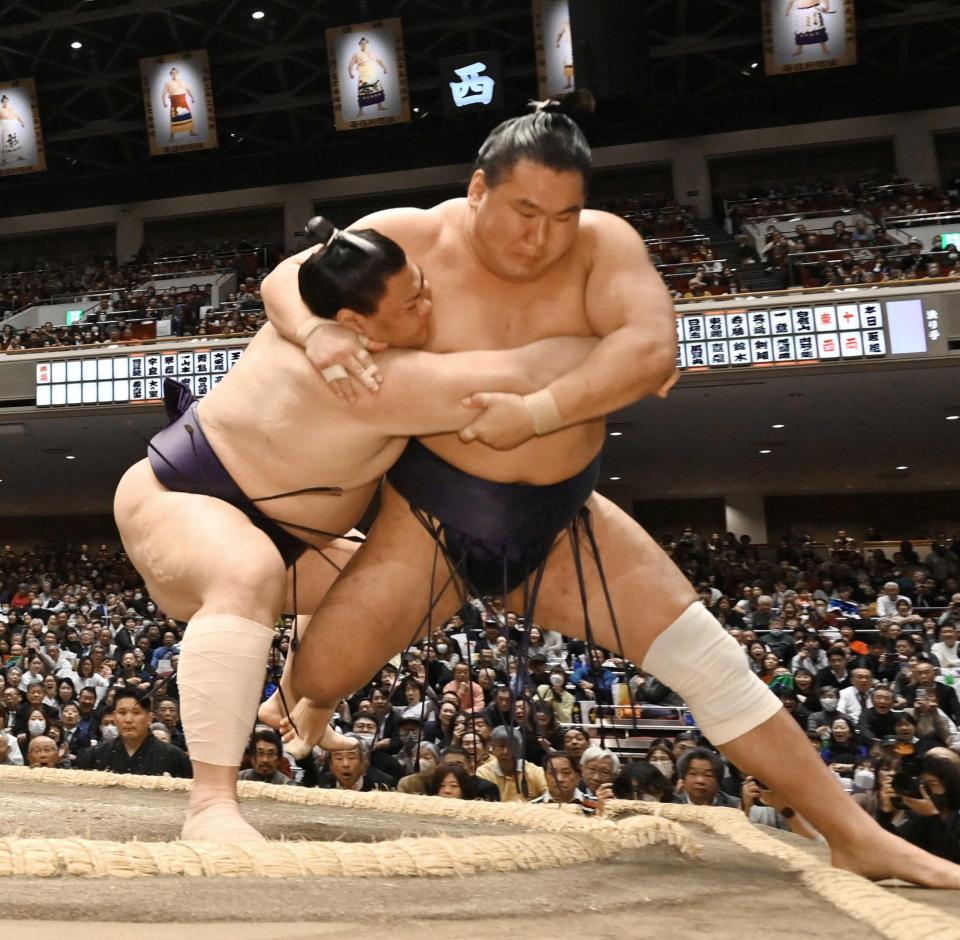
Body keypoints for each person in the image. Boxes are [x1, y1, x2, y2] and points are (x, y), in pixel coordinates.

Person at [262, 103, 960, 887]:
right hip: (428, 524)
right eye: (525, 211)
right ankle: (308, 699)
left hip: (563, 521)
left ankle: (854, 834)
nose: (542, 237)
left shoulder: (603, 245)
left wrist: (538, 411)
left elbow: (651, 347)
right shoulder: (413, 236)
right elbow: (289, 274)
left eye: (562, 215)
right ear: (478, 190)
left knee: (711, 661)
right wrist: (316, 331)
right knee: (320, 674)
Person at [113, 220, 594, 842]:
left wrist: (314, 327)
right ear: (358, 323)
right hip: (176, 499)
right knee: (245, 570)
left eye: (423, 287)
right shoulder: (374, 373)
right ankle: (210, 807)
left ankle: (296, 704)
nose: (429, 304)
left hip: (287, 537)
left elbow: (288, 270)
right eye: (411, 303)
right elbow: (539, 373)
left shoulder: (334, 296)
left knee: (410, 586)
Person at [77, 687, 191, 778]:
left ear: (150, 718)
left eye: (136, 713)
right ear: (115, 717)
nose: (128, 720)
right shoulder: (93, 756)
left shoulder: (175, 757)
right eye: (122, 713)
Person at [347, 37, 388, 118]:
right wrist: (350, 74)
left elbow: (379, 60)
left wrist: (384, 68)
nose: (364, 44)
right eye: (362, 43)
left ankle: (379, 106)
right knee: (363, 92)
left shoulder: (372, 52)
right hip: (363, 75)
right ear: (359, 45)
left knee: (377, 89)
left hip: (373, 73)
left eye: (365, 43)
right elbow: (350, 65)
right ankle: (360, 111)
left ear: (367, 43)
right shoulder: (356, 54)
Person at [161, 67, 198, 142]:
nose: (174, 74)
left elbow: (189, 89)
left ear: (178, 73)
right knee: (174, 119)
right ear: (170, 74)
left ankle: (191, 131)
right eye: (172, 73)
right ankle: (172, 136)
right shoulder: (168, 83)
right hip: (175, 102)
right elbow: (163, 93)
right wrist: (164, 102)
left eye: (175, 72)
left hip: (184, 101)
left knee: (188, 116)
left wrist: (192, 97)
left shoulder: (183, 81)